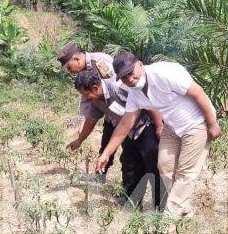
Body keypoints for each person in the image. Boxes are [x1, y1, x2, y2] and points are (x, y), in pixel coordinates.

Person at [95, 52, 221, 218]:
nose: (130, 79)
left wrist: (211, 123)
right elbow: (125, 124)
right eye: (124, 77)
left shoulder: (164, 73)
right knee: (165, 166)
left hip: (196, 122)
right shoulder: (135, 93)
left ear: (139, 64)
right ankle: (183, 207)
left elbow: (198, 92)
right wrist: (106, 153)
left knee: (186, 172)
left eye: (131, 72)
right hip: (172, 126)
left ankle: (169, 218)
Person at [67, 67, 165, 208]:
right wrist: (80, 140)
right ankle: (131, 202)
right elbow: (90, 120)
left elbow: (148, 103)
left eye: (86, 95)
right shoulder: (95, 100)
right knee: (129, 167)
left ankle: (160, 207)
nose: (85, 99)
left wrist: (159, 126)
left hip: (146, 128)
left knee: (154, 168)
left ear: (95, 88)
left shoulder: (118, 87)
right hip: (126, 133)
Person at [57, 42, 118, 179]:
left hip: (125, 115)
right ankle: (99, 178)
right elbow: (88, 103)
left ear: (76, 59)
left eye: (68, 67)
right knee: (105, 149)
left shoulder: (100, 62)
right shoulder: (83, 74)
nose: (69, 70)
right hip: (110, 117)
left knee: (132, 155)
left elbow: (116, 92)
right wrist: (82, 129)